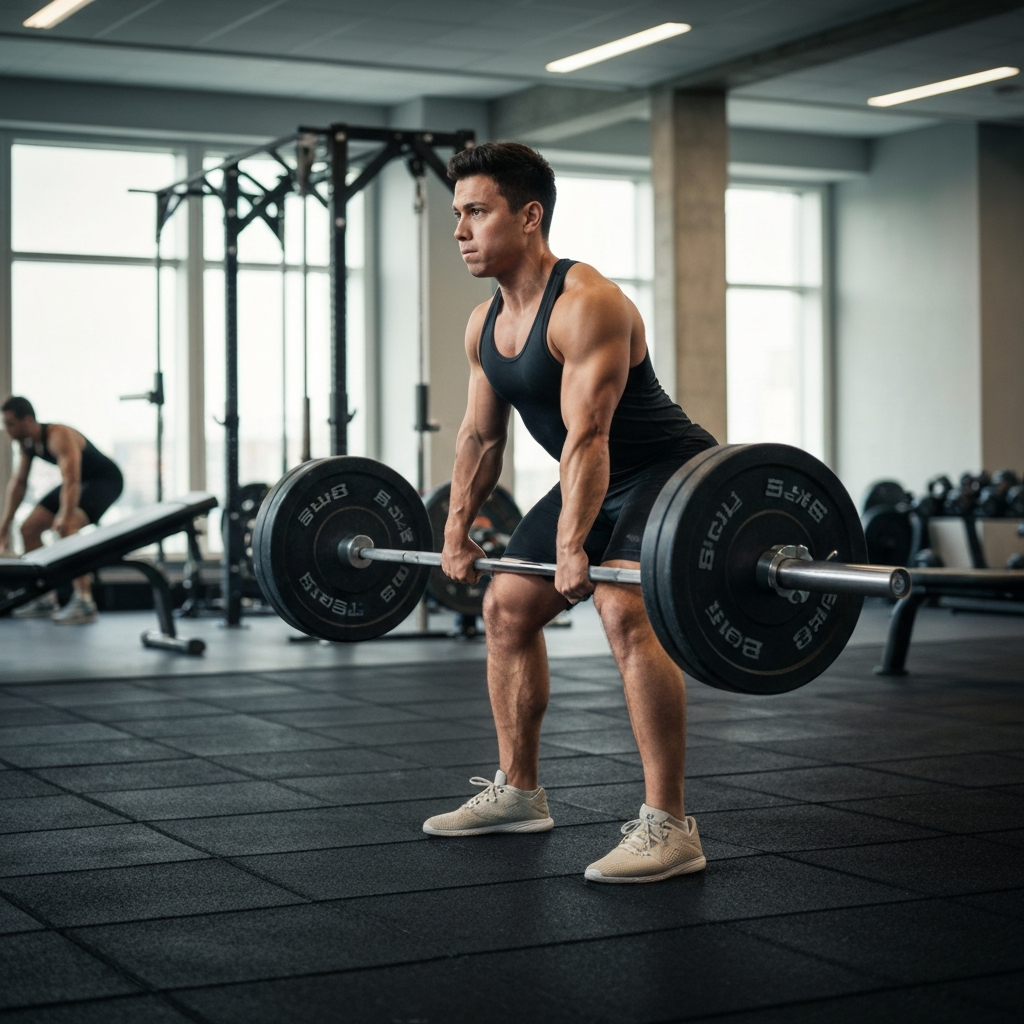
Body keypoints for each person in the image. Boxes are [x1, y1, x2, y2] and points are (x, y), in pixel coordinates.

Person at [422, 142, 719, 883]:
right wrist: (456, 529)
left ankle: (670, 825)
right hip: (595, 474)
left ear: (530, 217)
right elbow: (481, 437)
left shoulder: (589, 303)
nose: (459, 230)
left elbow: (589, 435)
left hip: (668, 471)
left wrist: (575, 546)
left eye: (477, 212)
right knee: (506, 608)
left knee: (622, 606)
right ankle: (518, 792)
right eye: (457, 214)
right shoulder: (484, 323)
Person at [0, 396, 124, 624]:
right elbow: (18, 484)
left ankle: (85, 601)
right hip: (79, 483)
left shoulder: (59, 436)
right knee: (28, 529)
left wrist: (65, 515)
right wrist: (4, 526)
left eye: (10, 424)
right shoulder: (27, 443)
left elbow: (71, 479)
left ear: (27, 420)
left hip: (104, 482)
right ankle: (44, 598)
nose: (6, 430)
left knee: (68, 525)